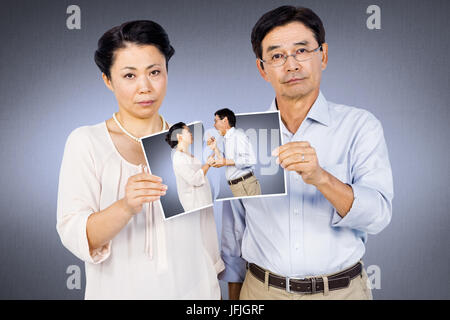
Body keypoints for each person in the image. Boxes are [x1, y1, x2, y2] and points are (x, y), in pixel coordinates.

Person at [220, 6, 393, 300]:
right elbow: (234, 229)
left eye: (302, 51)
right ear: (262, 68)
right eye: (276, 56)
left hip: (342, 292)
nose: (291, 65)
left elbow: (377, 216)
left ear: (322, 55)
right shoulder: (244, 136)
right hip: (261, 291)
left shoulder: (360, 125)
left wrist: (322, 178)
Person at [56, 20, 224, 299]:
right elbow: (75, 234)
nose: (145, 87)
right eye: (129, 76)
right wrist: (125, 206)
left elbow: (207, 241)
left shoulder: (190, 143)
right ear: (108, 80)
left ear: (167, 73)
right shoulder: (87, 142)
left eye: (154, 72)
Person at [207, 108, 261, 197]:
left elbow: (250, 159)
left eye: (216, 121)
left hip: (246, 185)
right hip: (237, 186)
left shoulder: (238, 136)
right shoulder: (226, 139)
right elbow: (224, 160)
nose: (214, 125)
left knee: (256, 211)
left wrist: (225, 162)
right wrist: (215, 148)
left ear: (225, 120)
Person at [165, 122, 214, 212]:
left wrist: (212, 148)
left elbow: (200, 170)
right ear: (179, 137)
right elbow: (195, 179)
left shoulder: (187, 154)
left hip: (204, 201)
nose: (191, 133)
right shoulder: (178, 157)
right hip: (195, 205)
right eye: (187, 131)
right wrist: (208, 164)